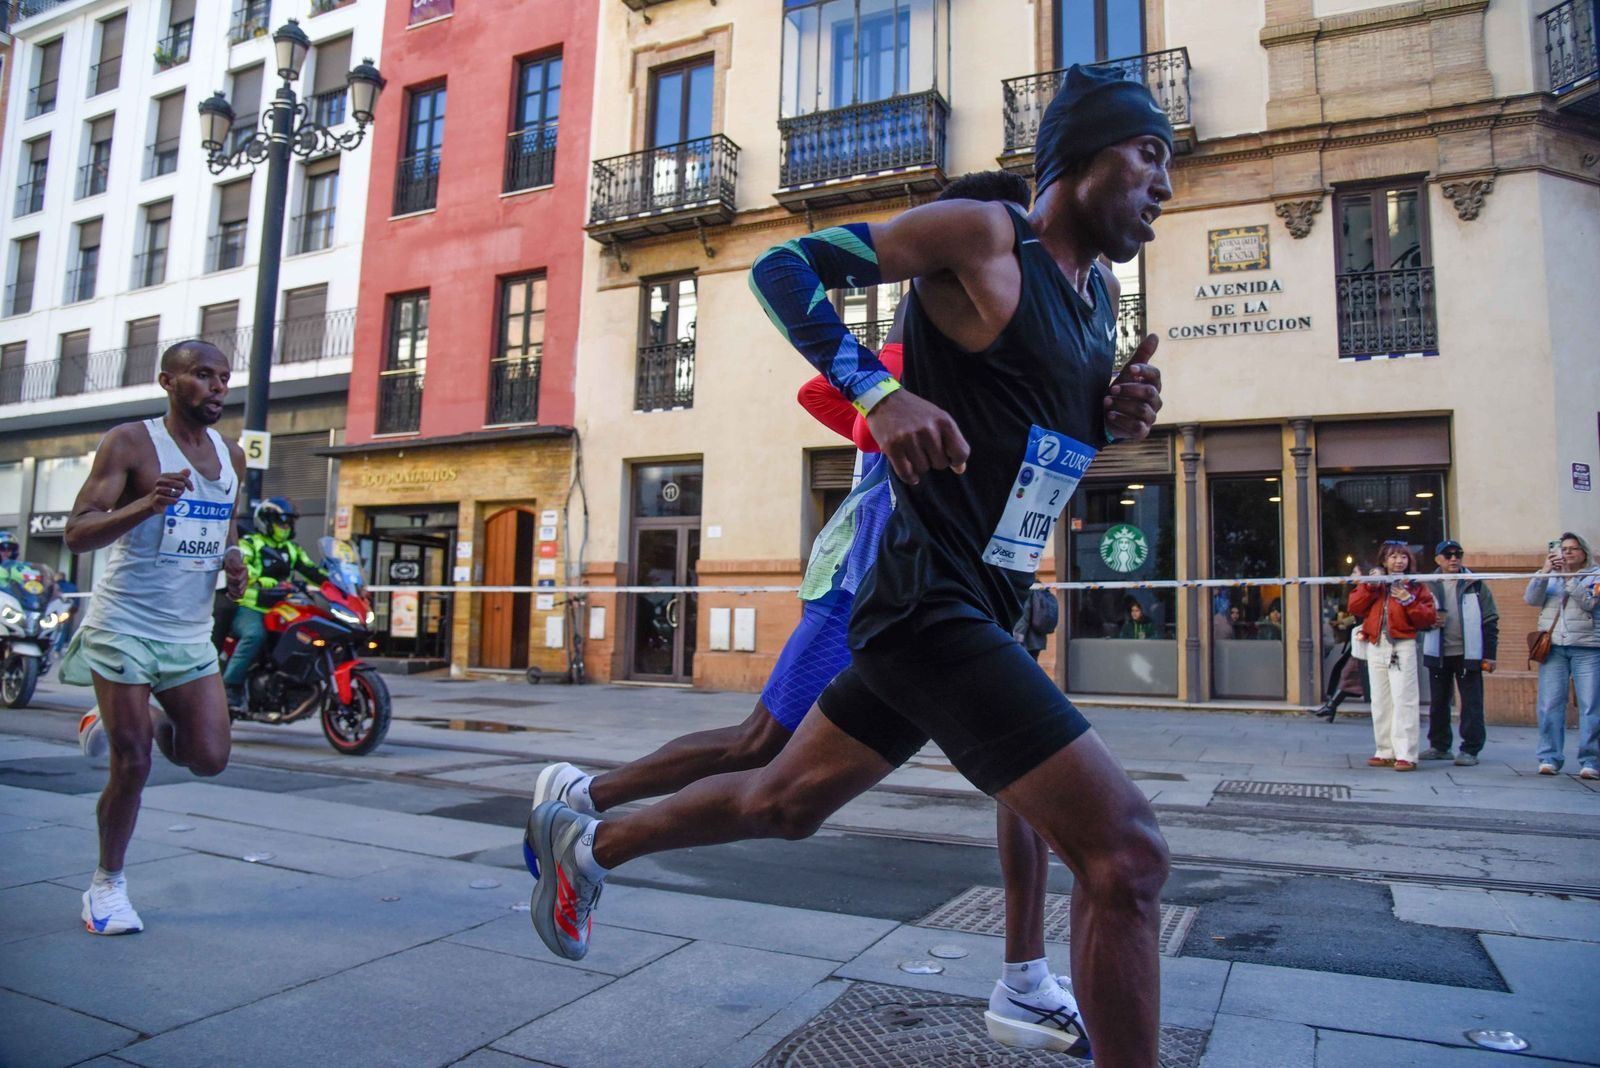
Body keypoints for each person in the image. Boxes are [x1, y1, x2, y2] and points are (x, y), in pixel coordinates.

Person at [526, 64, 1171, 1068]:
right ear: (1085, 155)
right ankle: (1032, 987)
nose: (1164, 184)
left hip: (976, 603)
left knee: (780, 802)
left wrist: (1112, 416)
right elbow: (782, 269)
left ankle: (590, 844)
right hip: (928, 606)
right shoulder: (983, 235)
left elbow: (1030, 447)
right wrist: (876, 393)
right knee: (1124, 854)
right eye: (1148, 154)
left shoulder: (1094, 304)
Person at [61, 341, 247, 934]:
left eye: (223, 376)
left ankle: (121, 717)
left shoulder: (232, 455)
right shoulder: (130, 443)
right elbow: (77, 533)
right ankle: (106, 888)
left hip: (189, 632)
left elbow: (225, 518)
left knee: (210, 759)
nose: (216, 386)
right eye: (202, 375)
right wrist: (146, 503)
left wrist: (235, 558)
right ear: (169, 381)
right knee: (134, 762)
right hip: (125, 626)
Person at [222, 496, 328, 711]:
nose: (286, 527)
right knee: (255, 635)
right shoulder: (251, 543)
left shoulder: (292, 549)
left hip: (283, 608)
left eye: (289, 523)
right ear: (266, 522)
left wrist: (335, 583)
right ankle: (230, 686)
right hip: (251, 607)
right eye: (281, 522)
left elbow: (311, 571)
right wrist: (259, 579)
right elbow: (240, 566)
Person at [1347, 541, 1437, 771]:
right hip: (1376, 645)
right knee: (1380, 701)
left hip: (1402, 646)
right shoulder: (1374, 584)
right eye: (1393, 557)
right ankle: (1384, 749)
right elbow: (1354, 606)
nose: (1398, 561)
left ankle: (1406, 753)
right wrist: (1369, 586)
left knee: (1404, 699)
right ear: (1384, 561)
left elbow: (1428, 618)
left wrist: (1408, 600)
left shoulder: (1416, 587)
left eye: (1403, 557)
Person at [1419, 539, 1499, 766]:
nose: (1454, 558)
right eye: (1448, 554)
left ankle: (1470, 749)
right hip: (1438, 652)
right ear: (1438, 559)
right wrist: (1428, 622)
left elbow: (1490, 619)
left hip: (1469, 653)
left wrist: (1490, 654)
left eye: (1458, 554)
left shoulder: (1475, 583)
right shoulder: (1428, 583)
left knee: (1472, 703)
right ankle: (1440, 746)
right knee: (1438, 702)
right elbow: (1416, 617)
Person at [1525, 532, 1599, 778]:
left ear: (1584, 552)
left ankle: (1591, 760)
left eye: (1572, 549)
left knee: (1590, 705)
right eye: (1563, 549)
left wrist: (1569, 579)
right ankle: (1549, 757)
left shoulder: (1595, 575)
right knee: (1549, 704)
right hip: (1554, 646)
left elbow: (1589, 602)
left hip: (1587, 647)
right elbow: (1531, 599)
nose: (1566, 553)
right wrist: (1545, 572)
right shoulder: (1551, 574)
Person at [1014, 586, 1061, 659]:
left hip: (1026, 639)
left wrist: (1017, 636)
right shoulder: (1042, 590)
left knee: (1022, 666)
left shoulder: (1027, 591)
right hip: (1038, 640)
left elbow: (1024, 616)